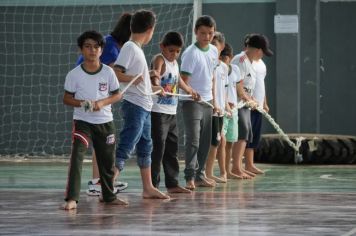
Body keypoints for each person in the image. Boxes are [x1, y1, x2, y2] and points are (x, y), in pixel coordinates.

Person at [62, 30, 127, 210]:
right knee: (77, 156)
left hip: (105, 122)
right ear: (81, 50)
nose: (92, 50)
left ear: (101, 50)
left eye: (96, 47)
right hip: (82, 122)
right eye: (88, 47)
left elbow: (117, 95)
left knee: (107, 162)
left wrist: (102, 102)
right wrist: (82, 103)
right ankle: (72, 199)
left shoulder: (108, 72)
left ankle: (109, 196)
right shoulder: (74, 74)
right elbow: (66, 99)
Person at [114, 9, 169, 200]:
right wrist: (132, 78)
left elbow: (141, 85)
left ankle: (148, 187)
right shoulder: (130, 48)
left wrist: (156, 89)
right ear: (150, 30)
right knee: (128, 143)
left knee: (146, 146)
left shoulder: (136, 49)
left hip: (145, 106)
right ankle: (107, 185)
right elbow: (116, 72)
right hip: (135, 106)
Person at [76, 13, 132, 196]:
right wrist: (140, 78)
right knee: (101, 141)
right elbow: (113, 75)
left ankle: (97, 182)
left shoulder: (110, 43)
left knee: (100, 141)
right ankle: (97, 184)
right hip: (89, 96)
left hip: (91, 95)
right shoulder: (112, 48)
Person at [150, 31, 197, 194]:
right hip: (158, 112)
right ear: (162, 47)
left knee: (172, 149)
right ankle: (152, 186)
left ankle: (172, 183)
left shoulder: (175, 63)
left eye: (178, 51)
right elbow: (155, 74)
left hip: (171, 112)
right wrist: (157, 86)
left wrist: (190, 90)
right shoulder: (160, 59)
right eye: (171, 50)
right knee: (158, 149)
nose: (174, 54)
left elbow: (179, 80)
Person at [180, 15, 219, 190]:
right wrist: (191, 93)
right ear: (196, 32)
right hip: (192, 102)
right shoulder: (190, 53)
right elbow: (183, 80)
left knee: (205, 141)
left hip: (208, 102)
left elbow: (212, 79)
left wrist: (215, 102)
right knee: (193, 140)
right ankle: (189, 177)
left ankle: (200, 175)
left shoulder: (213, 51)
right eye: (203, 33)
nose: (207, 37)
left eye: (210, 33)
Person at [230, 34, 273, 179]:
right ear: (258, 50)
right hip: (238, 103)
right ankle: (236, 167)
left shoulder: (250, 63)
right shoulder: (240, 60)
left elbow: (249, 87)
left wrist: (253, 99)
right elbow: (238, 84)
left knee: (246, 134)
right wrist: (246, 98)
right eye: (262, 52)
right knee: (242, 134)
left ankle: (239, 167)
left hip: (246, 104)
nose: (262, 55)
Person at [244, 34, 272, 175]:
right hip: (248, 105)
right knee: (245, 136)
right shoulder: (246, 62)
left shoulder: (262, 64)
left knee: (254, 136)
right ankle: (243, 164)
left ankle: (250, 164)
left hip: (258, 106)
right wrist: (249, 99)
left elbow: (262, 85)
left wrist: (264, 102)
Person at [205, 32, 229, 184]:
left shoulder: (224, 67)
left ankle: (211, 172)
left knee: (218, 141)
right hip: (211, 109)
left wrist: (225, 105)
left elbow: (224, 89)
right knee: (213, 141)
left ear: (222, 47)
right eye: (211, 45)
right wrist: (214, 104)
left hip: (220, 111)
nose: (213, 48)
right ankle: (207, 172)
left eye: (215, 45)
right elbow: (211, 86)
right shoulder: (210, 64)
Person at [219, 43, 242, 179]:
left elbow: (239, 90)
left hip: (233, 111)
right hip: (222, 110)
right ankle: (222, 172)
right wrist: (226, 103)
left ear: (230, 57)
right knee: (220, 142)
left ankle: (228, 171)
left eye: (225, 58)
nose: (222, 60)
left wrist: (247, 98)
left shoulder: (235, 70)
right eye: (220, 57)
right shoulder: (217, 69)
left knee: (230, 142)